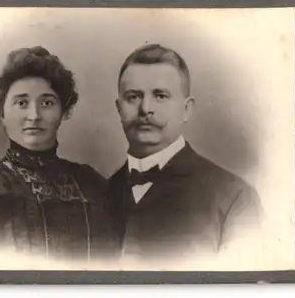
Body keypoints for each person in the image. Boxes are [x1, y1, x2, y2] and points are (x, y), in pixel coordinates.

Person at [0, 46, 115, 265]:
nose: (34, 115)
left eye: (47, 103)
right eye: (21, 103)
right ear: (2, 113)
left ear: (64, 112)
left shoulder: (91, 183)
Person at [108, 43, 262, 267]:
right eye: (133, 97)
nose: (145, 109)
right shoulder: (99, 194)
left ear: (186, 109)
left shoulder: (234, 197)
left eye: (160, 96)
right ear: (119, 108)